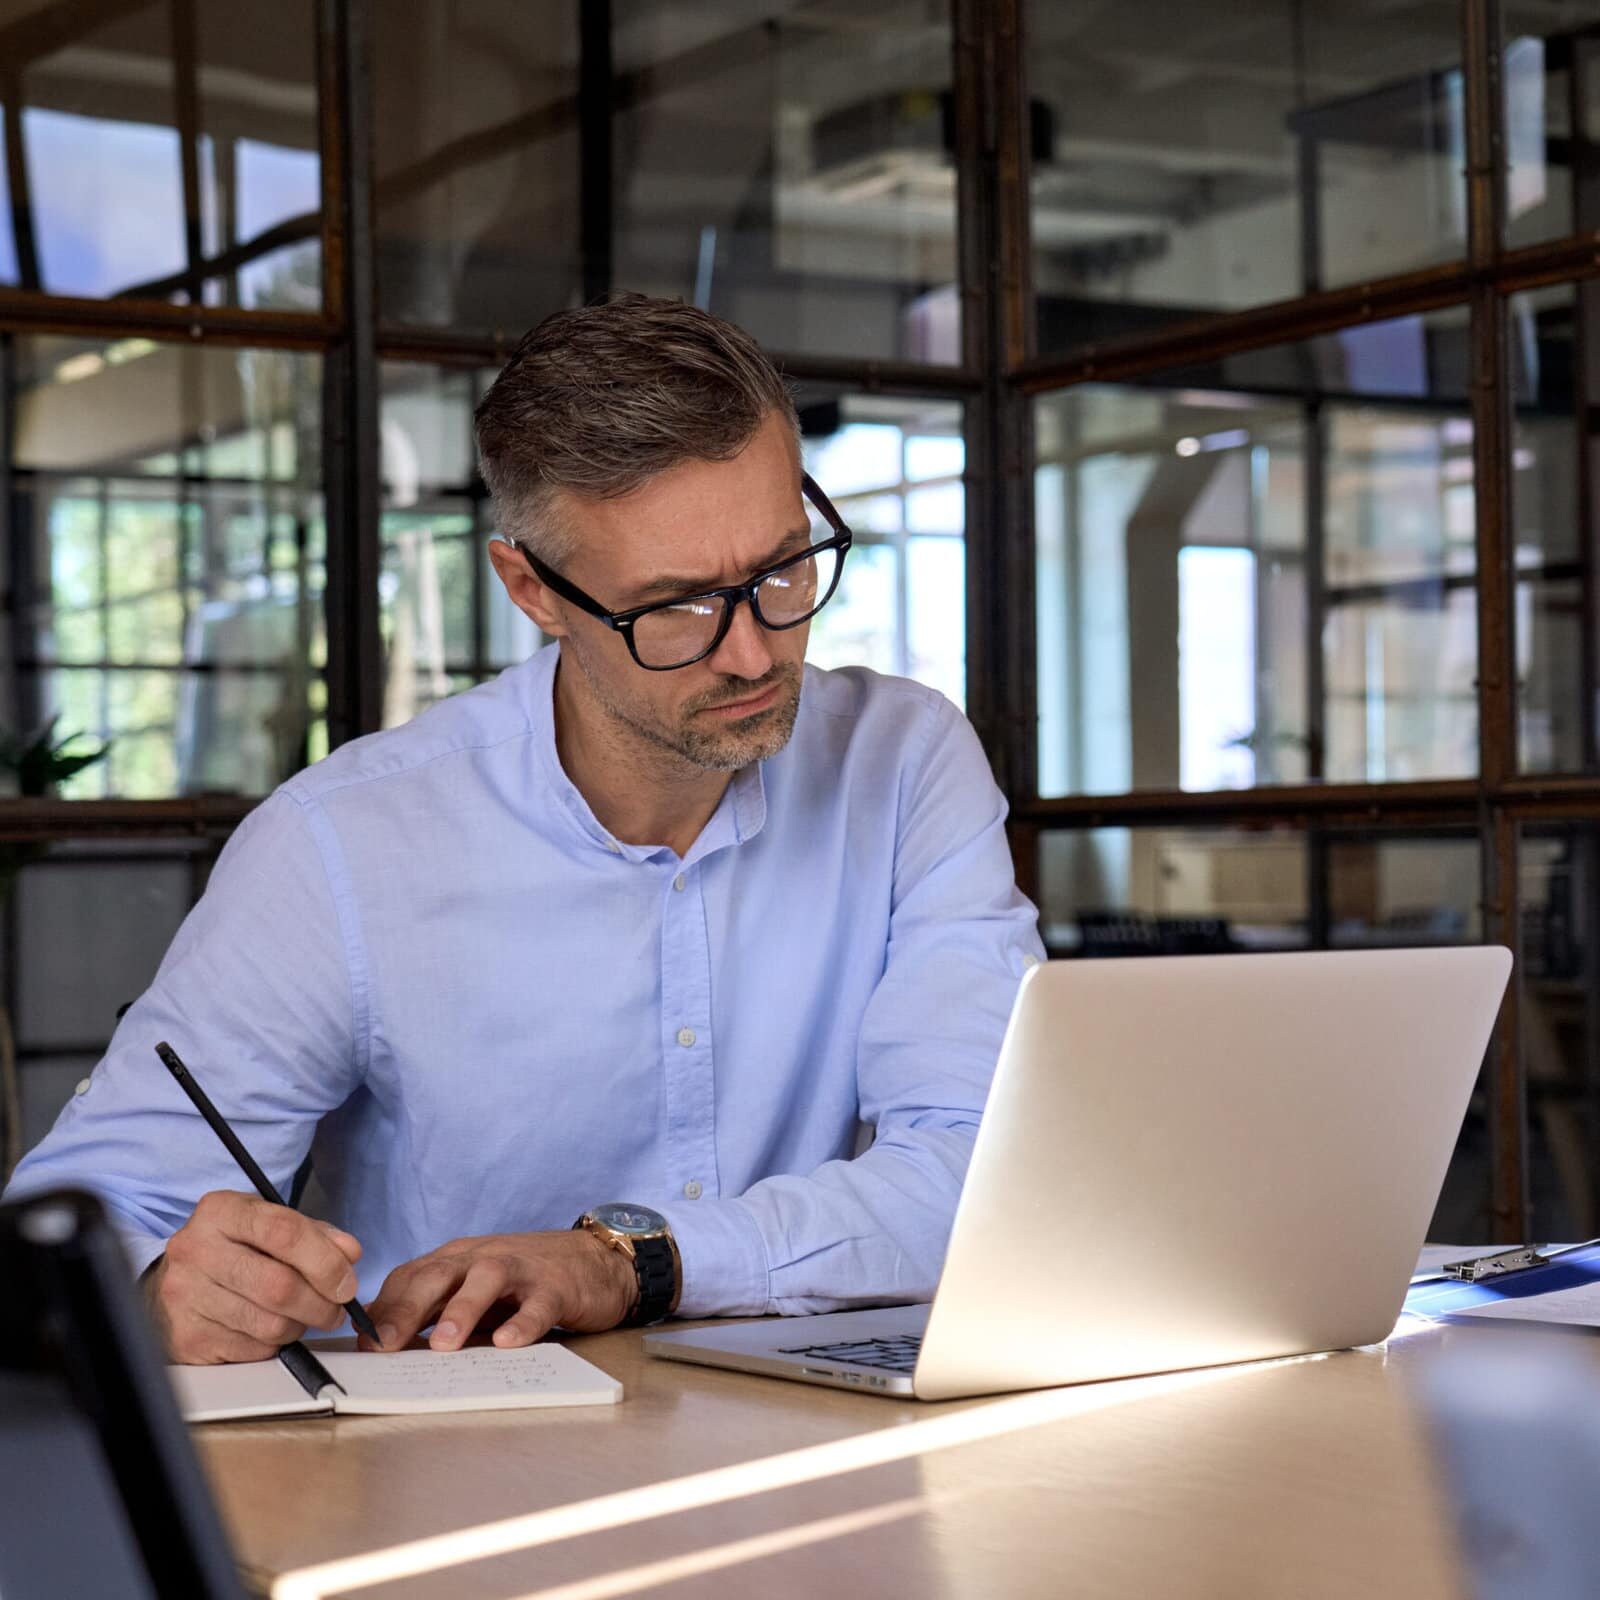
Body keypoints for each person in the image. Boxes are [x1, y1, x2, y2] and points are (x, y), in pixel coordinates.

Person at [6, 294, 1044, 1364]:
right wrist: (154, 1283)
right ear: (531, 590)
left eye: (781, 568)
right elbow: (74, 1222)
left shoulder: (904, 758)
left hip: (823, 1445)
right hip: (449, 1466)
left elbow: (987, 1167)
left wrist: (630, 1260)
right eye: (677, 606)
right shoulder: (343, 845)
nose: (751, 653)